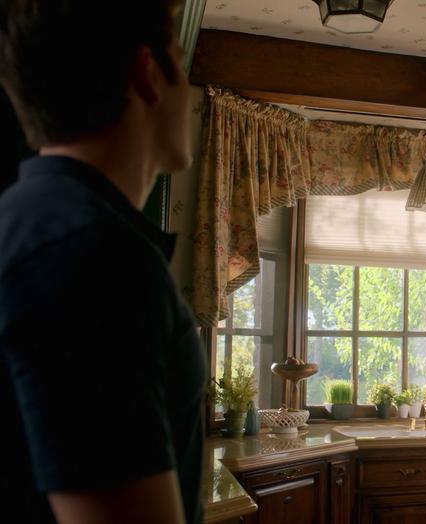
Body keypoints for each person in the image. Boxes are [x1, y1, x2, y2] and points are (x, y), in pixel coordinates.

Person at [0, 2, 205, 523]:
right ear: (149, 73)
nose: (190, 95)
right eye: (183, 63)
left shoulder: (34, 222)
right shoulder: (96, 259)